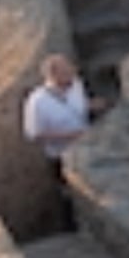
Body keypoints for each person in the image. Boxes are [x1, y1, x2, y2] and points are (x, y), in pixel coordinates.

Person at [23, 52, 93, 226]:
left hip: (86, 148)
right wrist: (71, 136)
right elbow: (34, 134)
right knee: (70, 194)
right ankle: (72, 226)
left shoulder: (76, 85)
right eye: (67, 71)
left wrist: (94, 106)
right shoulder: (37, 101)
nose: (72, 72)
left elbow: (80, 106)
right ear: (53, 76)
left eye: (70, 68)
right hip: (60, 156)